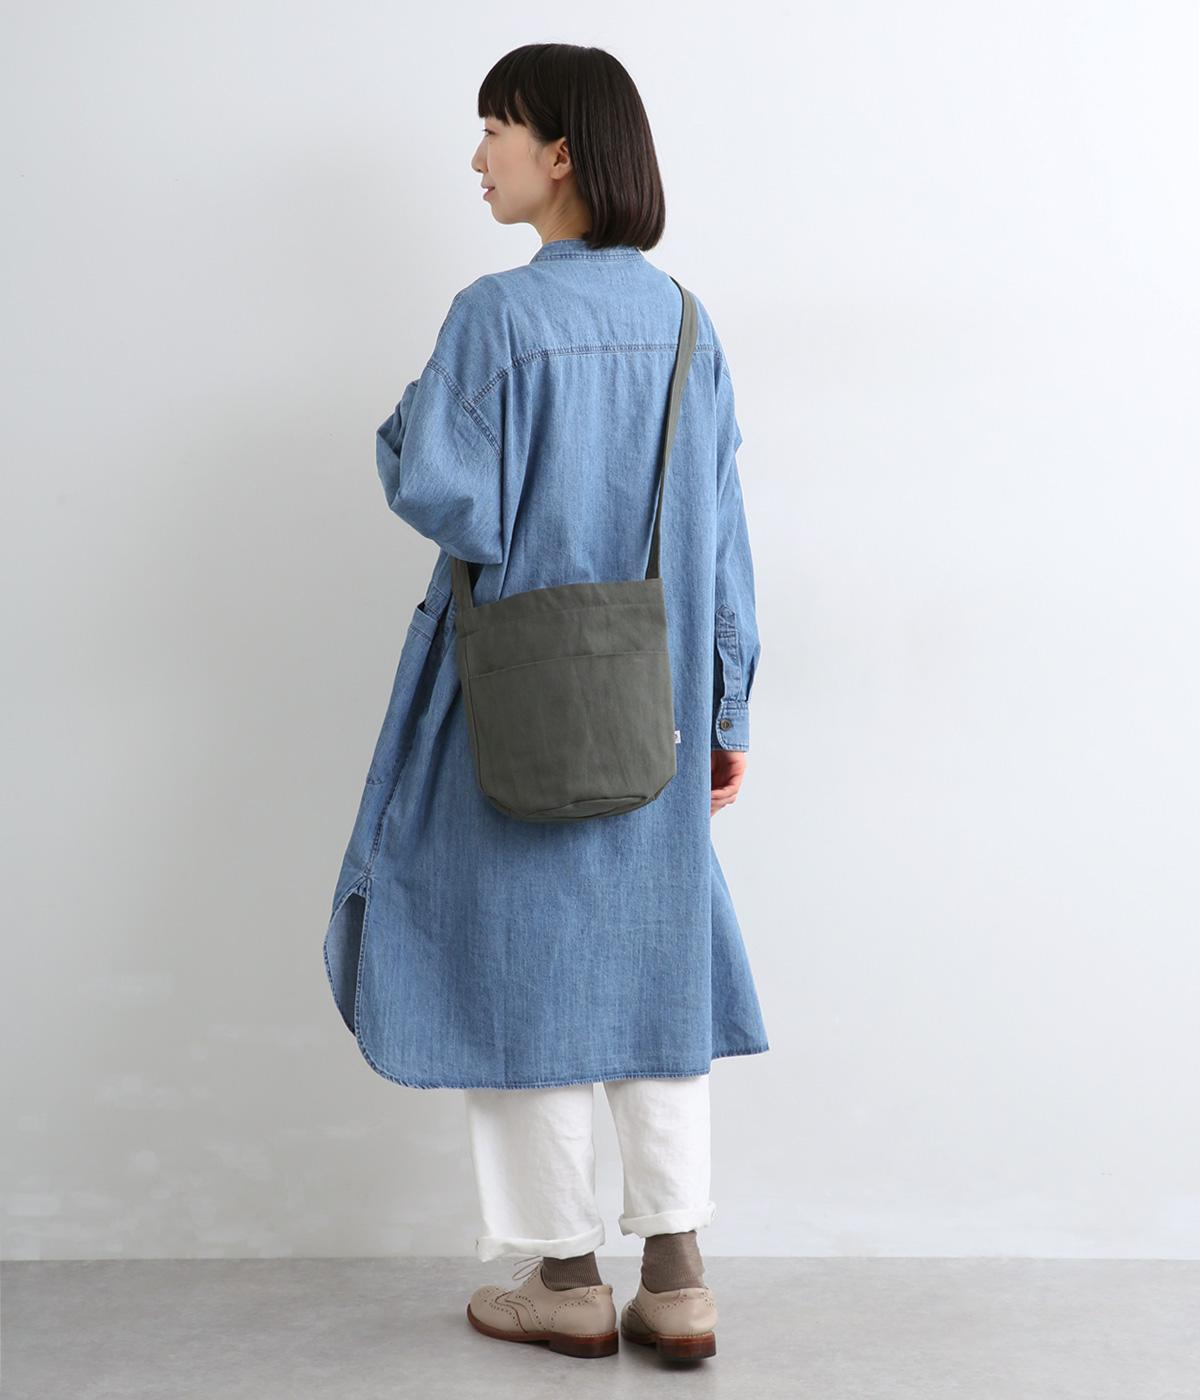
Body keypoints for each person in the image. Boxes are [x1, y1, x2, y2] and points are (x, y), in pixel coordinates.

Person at [322, 42, 768, 1365]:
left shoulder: (496, 317)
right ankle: (678, 1280)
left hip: (512, 697)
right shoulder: (688, 323)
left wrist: (410, 424)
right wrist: (728, 711)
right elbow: (725, 536)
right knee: (654, 963)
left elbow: (444, 490)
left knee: (519, 967)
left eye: (495, 131)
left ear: (560, 152)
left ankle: (566, 1280)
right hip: (656, 708)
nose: (478, 158)